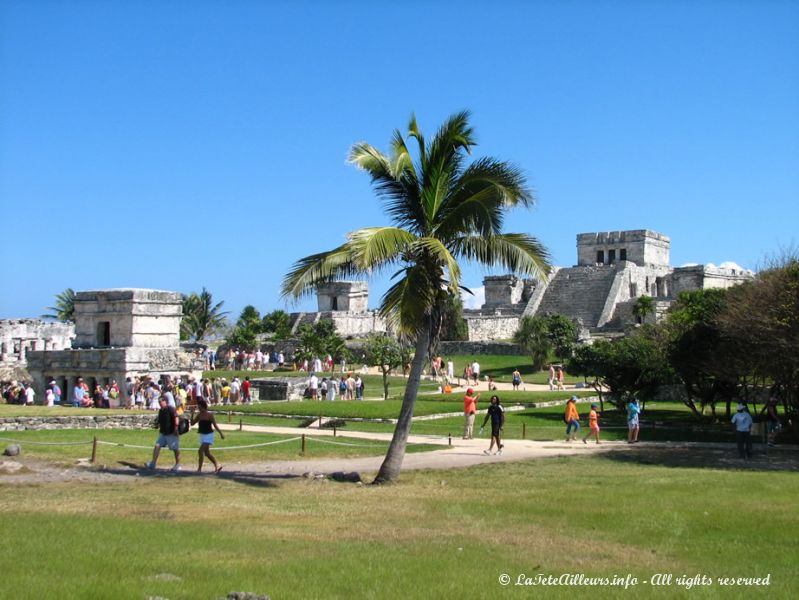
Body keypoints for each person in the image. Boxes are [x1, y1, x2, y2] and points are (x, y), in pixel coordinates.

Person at [147, 395, 181, 471]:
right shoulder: (161, 411)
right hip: (163, 432)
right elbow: (160, 421)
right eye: (159, 402)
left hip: (171, 432)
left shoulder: (171, 409)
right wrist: (157, 425)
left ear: (166, 401)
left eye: (161, 402)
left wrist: (176, 428)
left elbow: (176, 418)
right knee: (157, 446)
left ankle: (178, 464)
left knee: (175, 449)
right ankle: (153, 463)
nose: (160, 403)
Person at [191, 398, 225, 473]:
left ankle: (199, 469)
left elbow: (215, 425)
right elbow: (192, 423)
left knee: (200, 451)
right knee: (207, 453)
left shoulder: (210, 415)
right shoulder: (199, 415)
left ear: (204, 407)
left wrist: (221, 433)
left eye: (200, 407)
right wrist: (192, 414)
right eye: (198, 407)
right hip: (202, 435)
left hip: (209, 435)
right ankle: (217, 465)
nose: (199, 409)